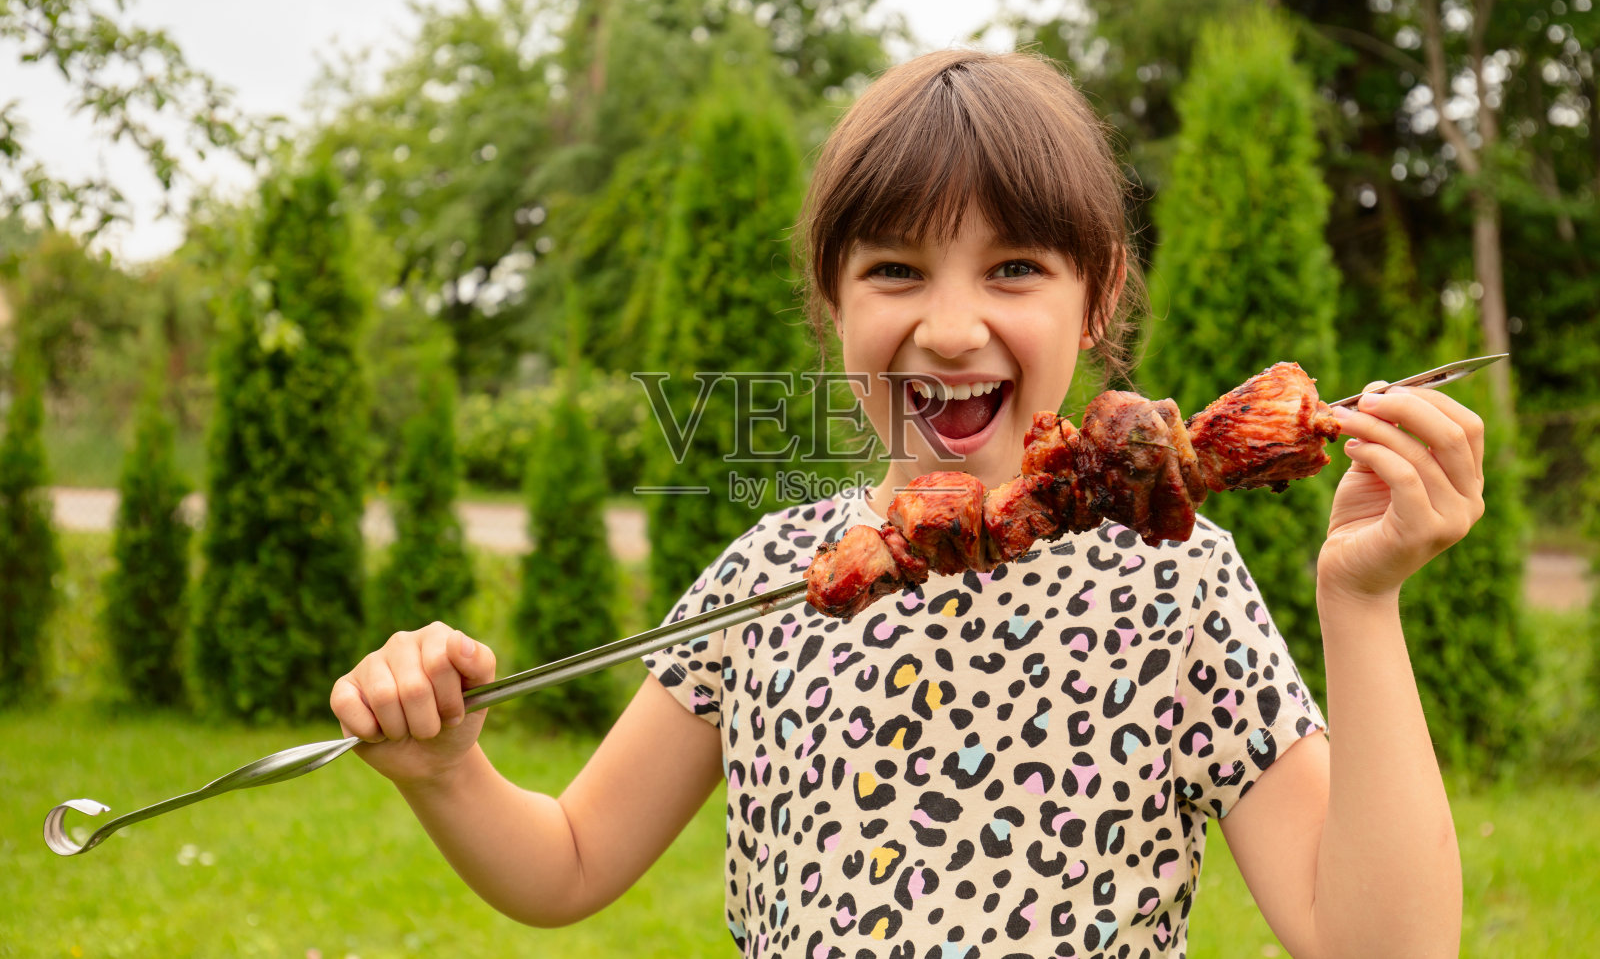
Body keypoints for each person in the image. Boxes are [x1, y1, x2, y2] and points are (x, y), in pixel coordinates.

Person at [331, 49, 1476, 958]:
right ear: (832, 302)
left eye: (1014, 268)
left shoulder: (1176, 587)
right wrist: (449, 770)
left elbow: (1382, 945)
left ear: (1098, 297)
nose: (950, 324)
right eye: (894, 270)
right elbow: (570, 860)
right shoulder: (770, 579)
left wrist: (1360, 600)